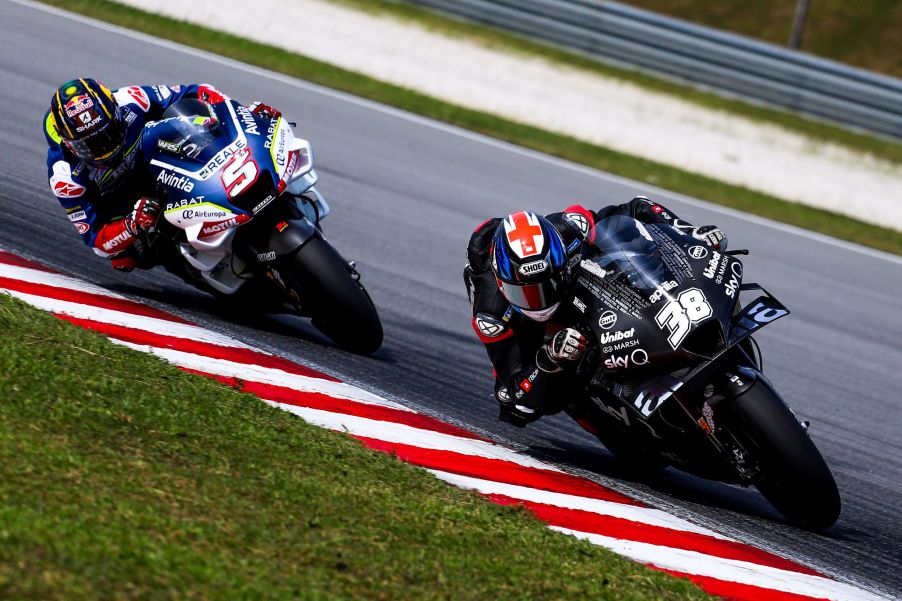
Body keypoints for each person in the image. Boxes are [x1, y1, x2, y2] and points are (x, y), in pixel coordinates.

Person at [463, 197, 726, 427]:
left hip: (576, 289)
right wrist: (548, 357)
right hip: (530, 332)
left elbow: (636, 208)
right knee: (517, 407)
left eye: (546, 285)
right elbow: (517, 385)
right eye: (527, 293)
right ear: (502, 283)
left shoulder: (570, 226)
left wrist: (688, 231)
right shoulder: (491, 314)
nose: (539, 301)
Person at [44, 78, 281, 271]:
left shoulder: (132, 99)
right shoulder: (64, 175)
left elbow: (195, 91)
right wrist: (131, 225)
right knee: (127, 258)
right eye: (90, 145)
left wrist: (242, 113)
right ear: (70, 144)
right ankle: (195, 263)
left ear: (116, 111)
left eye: (108, 134)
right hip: (132, 204)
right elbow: (96, 242)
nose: (104, 148)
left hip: (165, 159)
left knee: (186, 110)